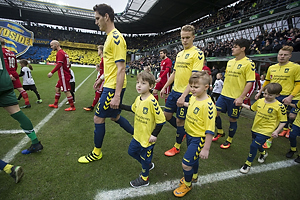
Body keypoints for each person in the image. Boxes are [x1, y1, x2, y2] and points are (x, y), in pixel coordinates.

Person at [78, 4, 134, 163]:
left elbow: (121, 68)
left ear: (106, 17)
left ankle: (97, 152)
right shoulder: (110, 37)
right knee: (115, 116)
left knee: (98, 118)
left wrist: (116, 96)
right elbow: (111, 66)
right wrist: (101, 78)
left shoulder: (116, 38)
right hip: (109, 84)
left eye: (97, 18)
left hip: (112, 89)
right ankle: (139, 136)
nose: (96, 22)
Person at [160, 25, 204, 157]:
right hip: (174, 91)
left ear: (193, 37)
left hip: (187, 93)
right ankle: (183, 132)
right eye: (182, 38)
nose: (184, 40)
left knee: (180, 121)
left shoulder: (198, 53)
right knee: (167, 116)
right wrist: (164, 87)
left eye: (187, 38)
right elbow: (174, 73)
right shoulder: (179, 54)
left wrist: (184, 95)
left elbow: (194, 78)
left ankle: (177, 147)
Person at [173, 71, 216, 197]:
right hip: (190, 135)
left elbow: (209, 130)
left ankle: (187, 184)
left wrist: (206, 148)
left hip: (199, 138)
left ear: (206, 87)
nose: (192, 89)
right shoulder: (193, 97)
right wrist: (183, 103)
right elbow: (192, 105)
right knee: (193, 159)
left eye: (196, 87)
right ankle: (194, 177)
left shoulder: (209, 106)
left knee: (186, 164)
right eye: (191, 86)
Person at [121, 71, 165, 187]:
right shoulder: (138, 98)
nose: (139, 85)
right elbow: (133, 108)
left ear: (151, 86)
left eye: (143, 83)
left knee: (145, 158)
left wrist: (154, 135)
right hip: (138, 136)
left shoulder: (152, 101)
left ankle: (144, 178)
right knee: (131, 151)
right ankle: (148, 165)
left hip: (147, 139)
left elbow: (161, 120)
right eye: (137, 82)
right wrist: (119, 106)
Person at [212, 39, 255, 149]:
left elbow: (250, 82)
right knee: (214, 113)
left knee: (232, 119)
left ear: (243, 48)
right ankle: (220, 131)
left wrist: (241, 97)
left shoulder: (249, 63)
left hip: (235, 98)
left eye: (235, 46)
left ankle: (229, 140)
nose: (232, 48)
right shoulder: (230, 62)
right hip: (224, 95)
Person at [0, 47, 43, 155]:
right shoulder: (10, 52)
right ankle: (35, 142)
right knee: (17, 113)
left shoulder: (5, 52)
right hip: (6, 81)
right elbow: (13, 66)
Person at [255, 46, 300, 148]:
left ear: (290, 56)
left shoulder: (296, 67)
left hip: (286, 97)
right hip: (273, 96)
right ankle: (271, 138)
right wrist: (260, 92)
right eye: (280, 54)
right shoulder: (272, 67)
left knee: (288, 117)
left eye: (285, 55)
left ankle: (283, 132)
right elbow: (267, 81)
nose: (282, 56)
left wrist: (290, 96)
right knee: (272, 118)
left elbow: (298, 84)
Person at [240, 83, 287, 174]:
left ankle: (247, 164)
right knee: (257, 144)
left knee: (253, 145)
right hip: (255, 127)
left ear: (277, 95)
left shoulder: (280, 106)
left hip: (267, 130)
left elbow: (283, 121)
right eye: (265, 94)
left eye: (270, 95)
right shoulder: (260, 101)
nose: (266, 96)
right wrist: (241, 104)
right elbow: (252, 108)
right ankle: (263, 153)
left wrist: (277, 131)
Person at [1, 38, 31, 108]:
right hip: (14, 72)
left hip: (6, 73)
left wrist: (8, 74)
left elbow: (5, 64)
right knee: (20, 89)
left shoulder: (1, 52)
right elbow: (15, 64)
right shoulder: (11, 52)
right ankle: (27, 103)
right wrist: (13, 72)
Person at [48, 40, 75, 111]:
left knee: (66, 91)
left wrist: (52, 72)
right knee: (57, 88)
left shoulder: (60, 53)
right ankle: (55, 104)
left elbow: (59, 64)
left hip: (64, 75)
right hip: (63, 75)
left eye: (52, 45)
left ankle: (72, 107)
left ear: (56, 45)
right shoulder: (64, 53)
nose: (51, 47)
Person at [84, 45, 104, 111]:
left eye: (98, 50)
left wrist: (100, 79)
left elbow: (105, 71)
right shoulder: (102, 59)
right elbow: (102, 71)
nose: (97, 52)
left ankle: (92, 107)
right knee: (99, 93)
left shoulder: (104, 59)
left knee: (98, 92)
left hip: (104, 80)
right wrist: (98, 78)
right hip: (102, 79)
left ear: (101, 51)